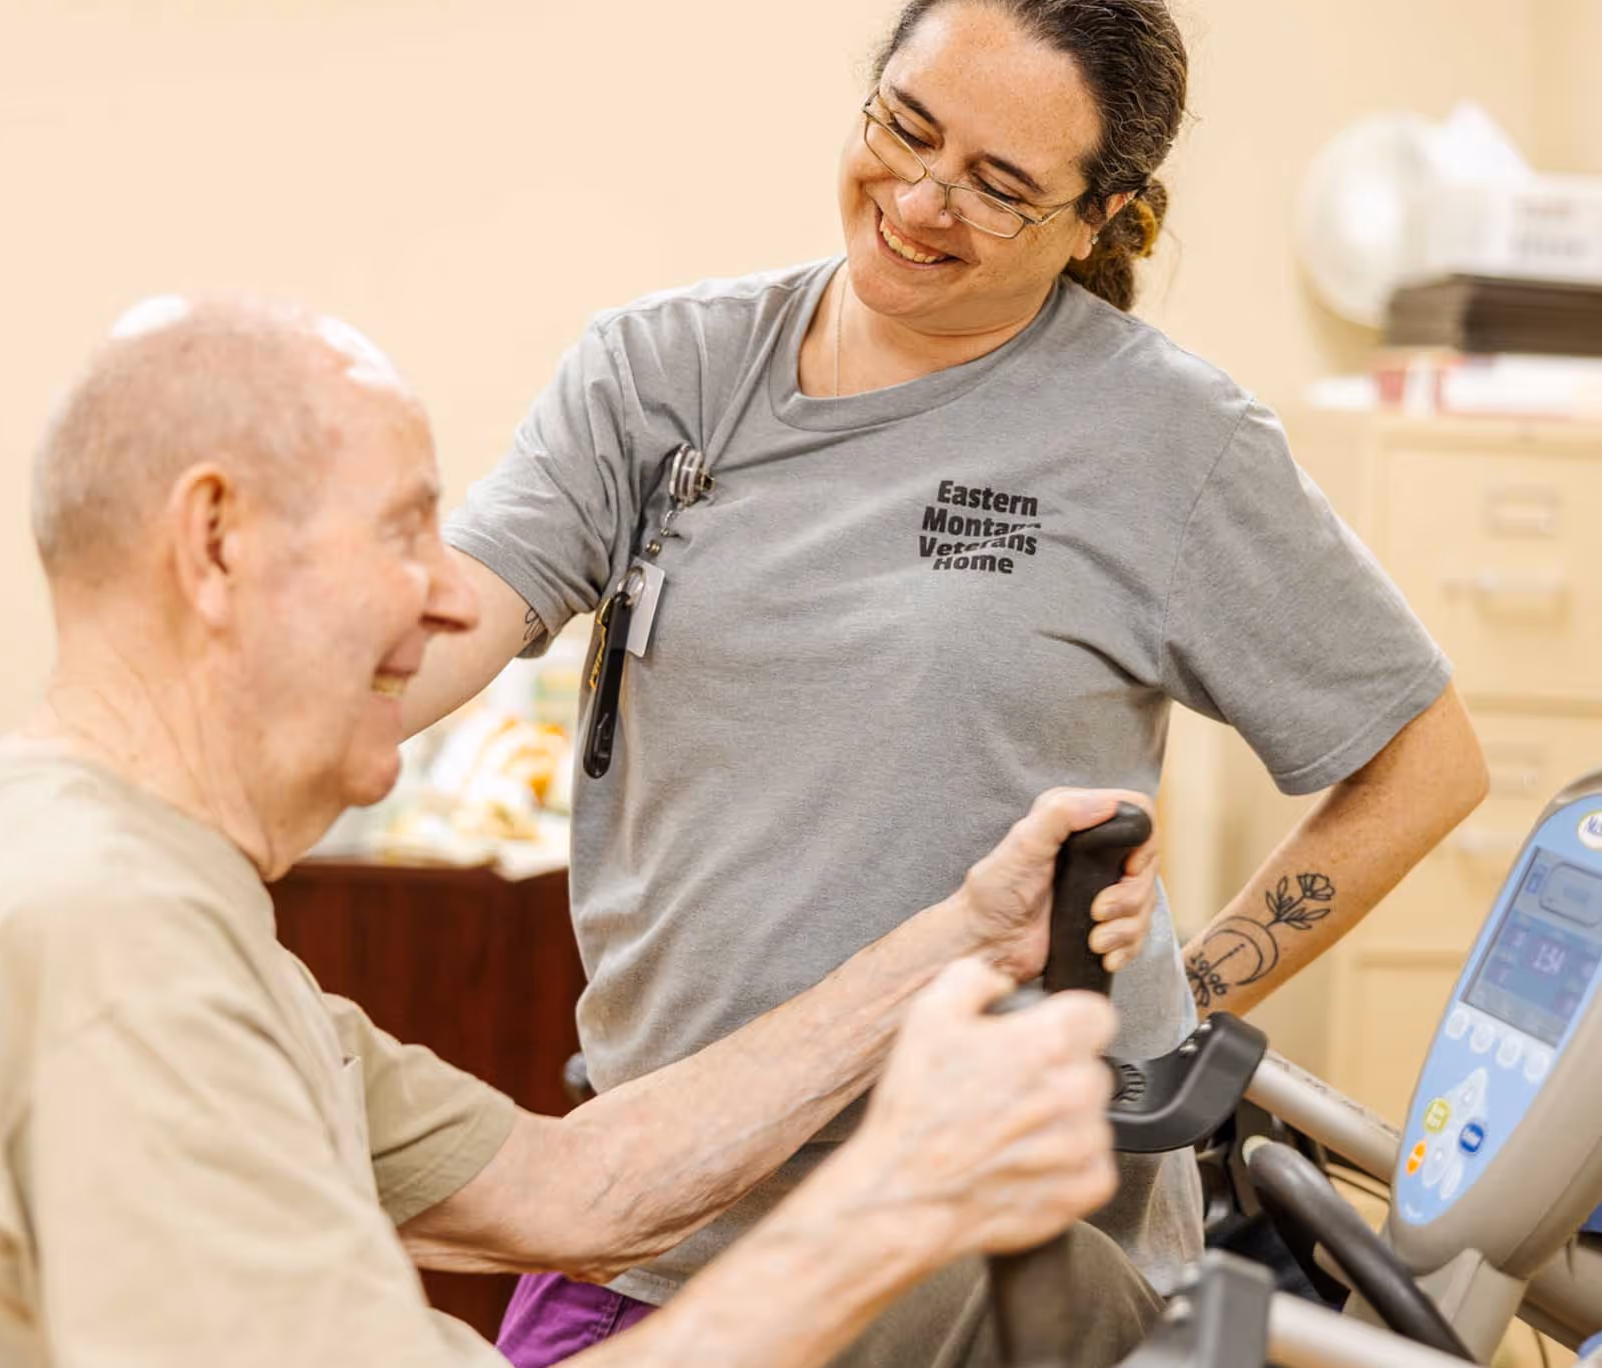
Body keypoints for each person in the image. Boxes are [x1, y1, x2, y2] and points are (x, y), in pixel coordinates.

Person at [403, 0, 1491, 1358]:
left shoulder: (1164, 440)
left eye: (999, 187)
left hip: (989, 1267)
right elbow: (452, 620)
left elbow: (1422, 761)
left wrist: (1194, 998)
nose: (919, 202)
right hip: (654, 1224)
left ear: (1098, 217)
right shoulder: (663, 374)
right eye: (905, 130)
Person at [0, 298, 1168, 1368]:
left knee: (1060, 1302)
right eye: (406, 533)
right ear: (217, 543)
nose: (450, 608)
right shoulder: (108, 957)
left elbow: (585, 1189)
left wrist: (968, 942)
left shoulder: (138, 895)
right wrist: (903, 1196)